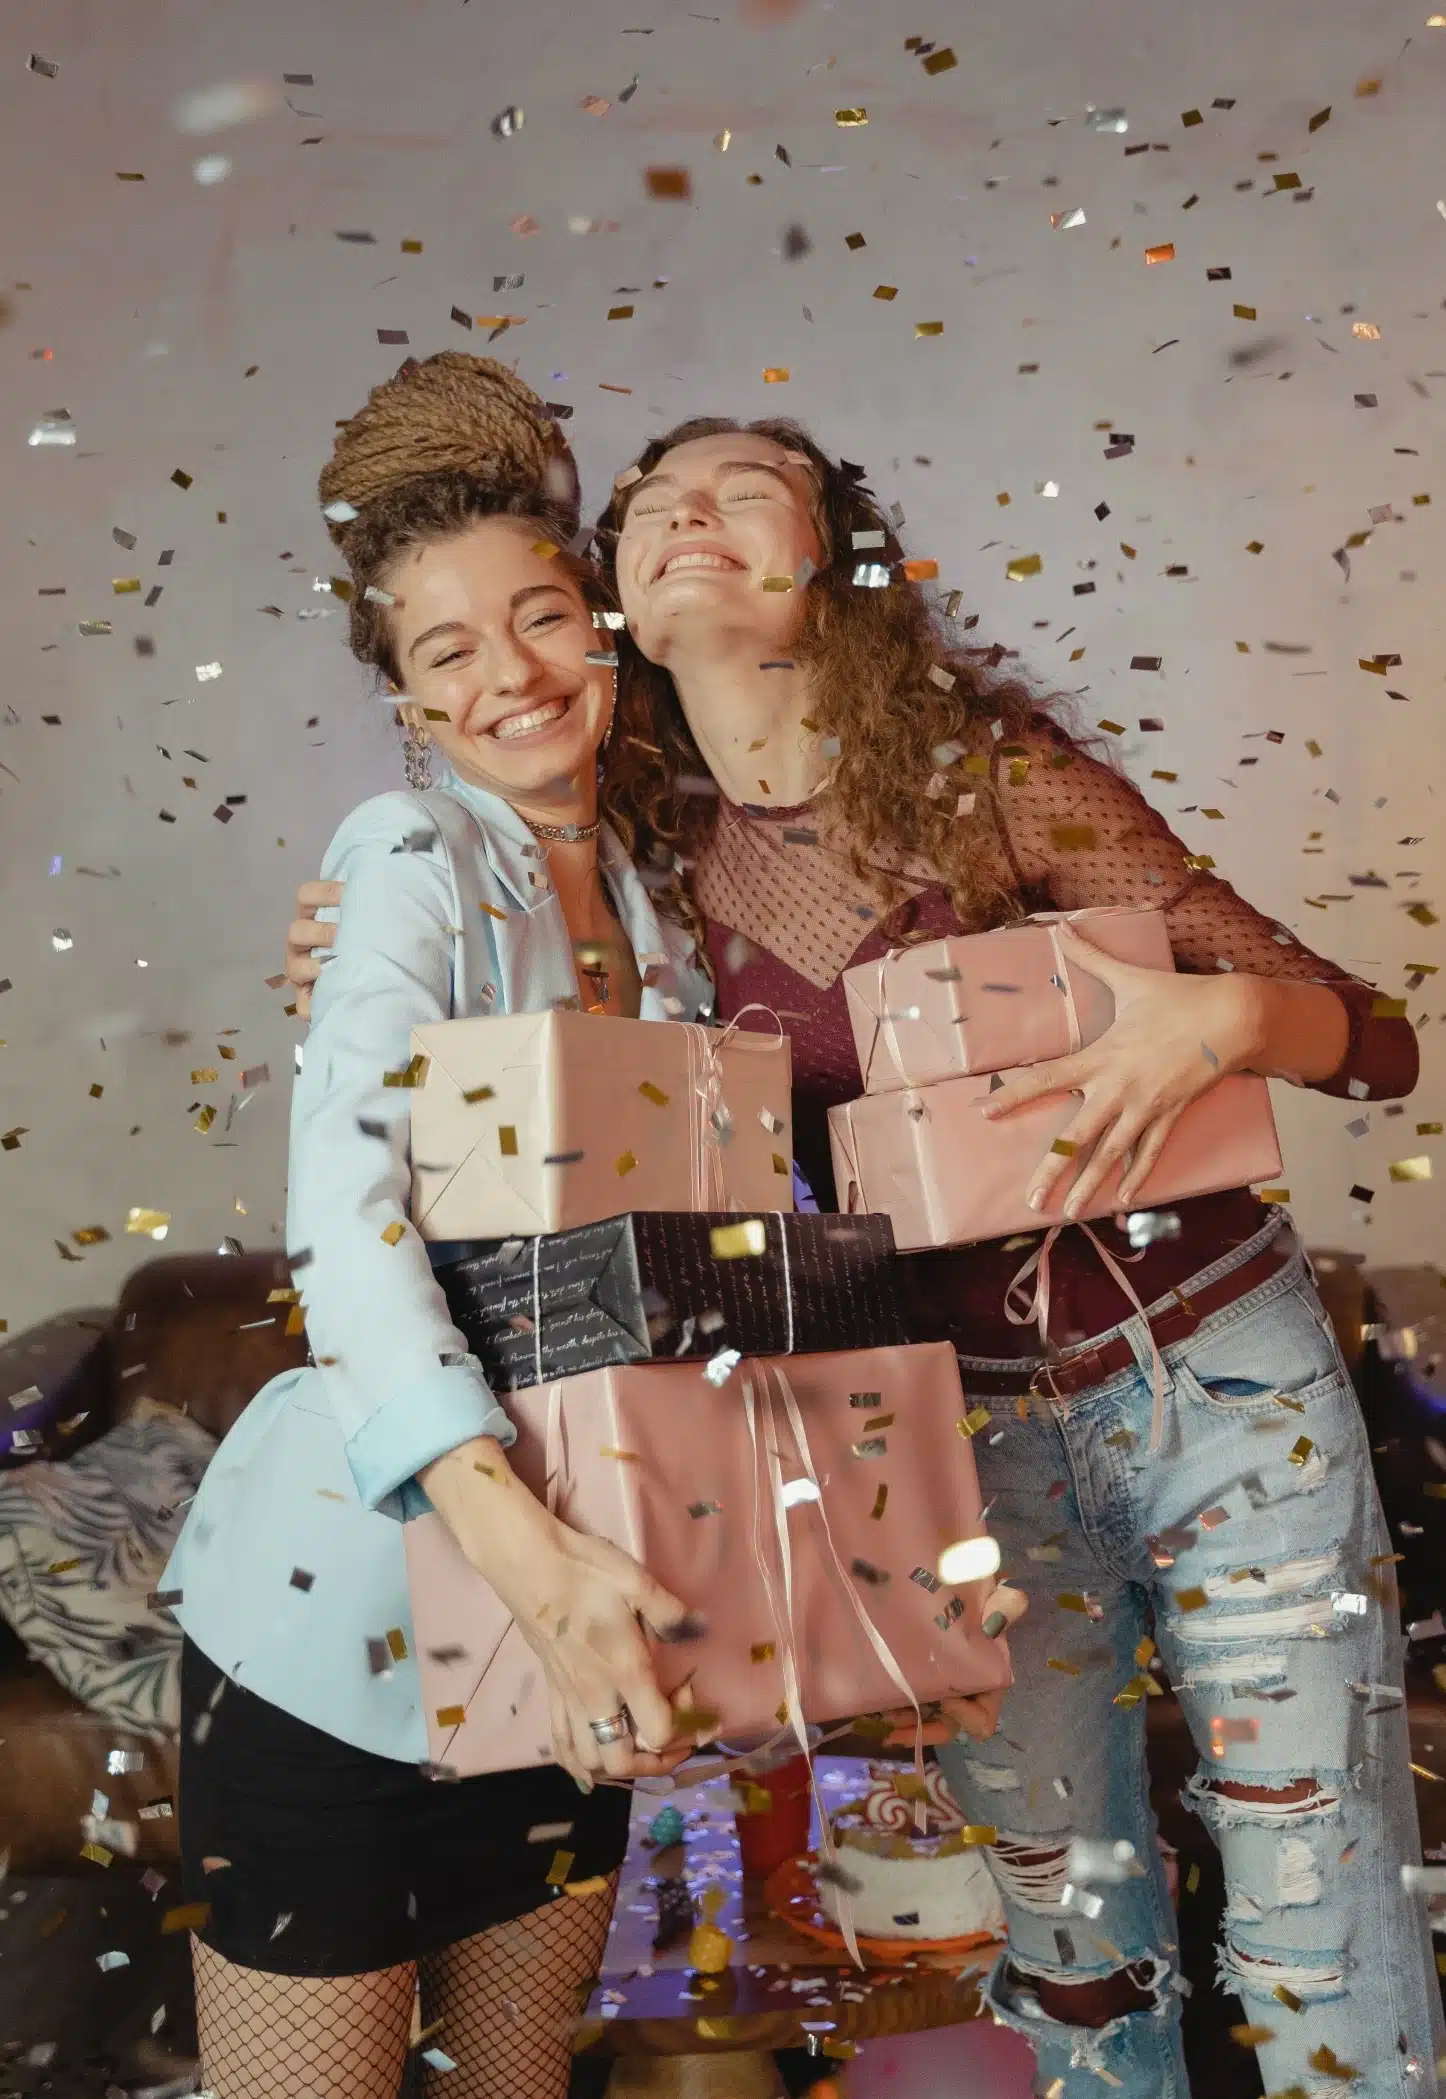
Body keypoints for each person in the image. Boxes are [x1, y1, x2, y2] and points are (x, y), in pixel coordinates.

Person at [291, 410, 1445, 2096]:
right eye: (652, 504)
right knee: (1069, 1929)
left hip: (1220, 1379)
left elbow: (1375, 1041)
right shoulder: (630, 862)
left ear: (829, 560)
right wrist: (352, 931)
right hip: (963, 1444)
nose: (691, 514)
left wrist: (1217, 1018)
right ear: (613, 588)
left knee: (1310, 1905)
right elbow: (467, 1029)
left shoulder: (991, 772)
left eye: (741, 489)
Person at [165, 354, 712, 2099]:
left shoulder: (654, 906)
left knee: (513, 2088)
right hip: (343, 1621)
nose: (511, 676)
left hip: (568, 1619)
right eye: (447, 650)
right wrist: (529, 1559)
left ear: (603, 627)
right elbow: (344, 1212)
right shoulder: (409, 853)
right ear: (405, 702)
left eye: (539, 616)